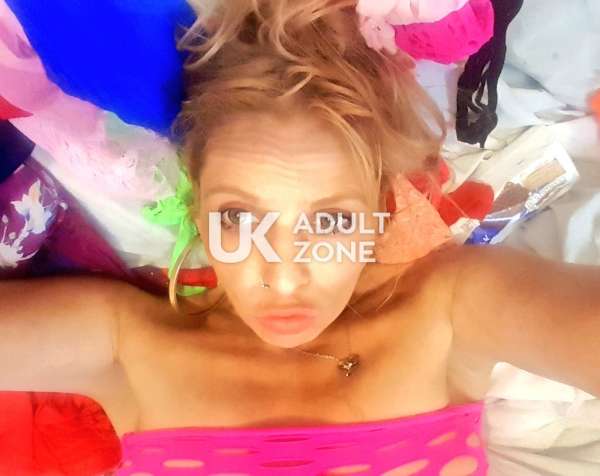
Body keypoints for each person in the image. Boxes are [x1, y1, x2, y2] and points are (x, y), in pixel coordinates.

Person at [1, 1, 598, 474]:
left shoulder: (450, 310)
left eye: (332, 221)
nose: (283, 276)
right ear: (198, 211)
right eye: (239, 218)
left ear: (379, 213)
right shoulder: (123, 342)